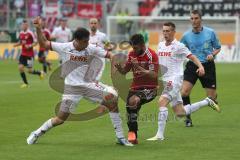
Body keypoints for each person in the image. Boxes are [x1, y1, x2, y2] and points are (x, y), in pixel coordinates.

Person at [26, 16, 133, 147]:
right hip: (71, 89)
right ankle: (37, 133)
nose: (87, 43)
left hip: (88, 86)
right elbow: (43, 44)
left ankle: (120, 137)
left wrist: (115, 64)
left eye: (88, 41)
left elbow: (109, 55)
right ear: (77, 40)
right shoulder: (64, 47)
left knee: (112, 101)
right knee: (60, 119)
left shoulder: (90, 48)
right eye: (85, 41)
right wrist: (38, 28)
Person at [147, 22, 220, 141]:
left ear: (174, 32)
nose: (165, 33)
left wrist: (200, 66)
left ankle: (160, 135)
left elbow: (192, 57)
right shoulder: (160, 45)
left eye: (168, 31)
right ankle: (207, 102)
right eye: (164, 31)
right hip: (165, 80)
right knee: (180, 112)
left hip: (175, 80)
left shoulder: (179, 46)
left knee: (162, 101)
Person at [114, 34, 158, 144]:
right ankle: (133, 135)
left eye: (135, 48)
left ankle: (132, 134)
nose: (133, 50)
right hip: (135, 88)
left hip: (150, 89)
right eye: (132, 48)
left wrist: (138, 66)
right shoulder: (132, 54)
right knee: (130, 107)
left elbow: (154, 75)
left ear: (142, 45)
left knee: (133, 102)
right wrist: (120, 68)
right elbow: (125, 71)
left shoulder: (151, 55)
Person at [180, 10, 221, 127]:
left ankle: (213, 99)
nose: (194, 21)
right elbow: (181, 49)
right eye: (192, 18)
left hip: (208, 65)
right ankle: (188, 119)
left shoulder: (210, 32)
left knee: (211, 97)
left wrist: (212, 54)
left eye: (196, 18)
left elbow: (218, 47)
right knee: (184, 92)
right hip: (193, 65)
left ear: (201, 19)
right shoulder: (186, 36)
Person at [13, 20, 44, 88]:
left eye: (25, 25)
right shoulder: (21, 33)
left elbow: (36, 42)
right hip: (23, 54)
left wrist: (29, 46)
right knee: (20, 68)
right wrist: (16, 44)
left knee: (29, 71)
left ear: (27, 26)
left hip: (30, 55)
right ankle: (26, 83)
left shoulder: (30, 33)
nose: (23, 26)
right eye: (23, 25)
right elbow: (21, 42)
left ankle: (39, 73)